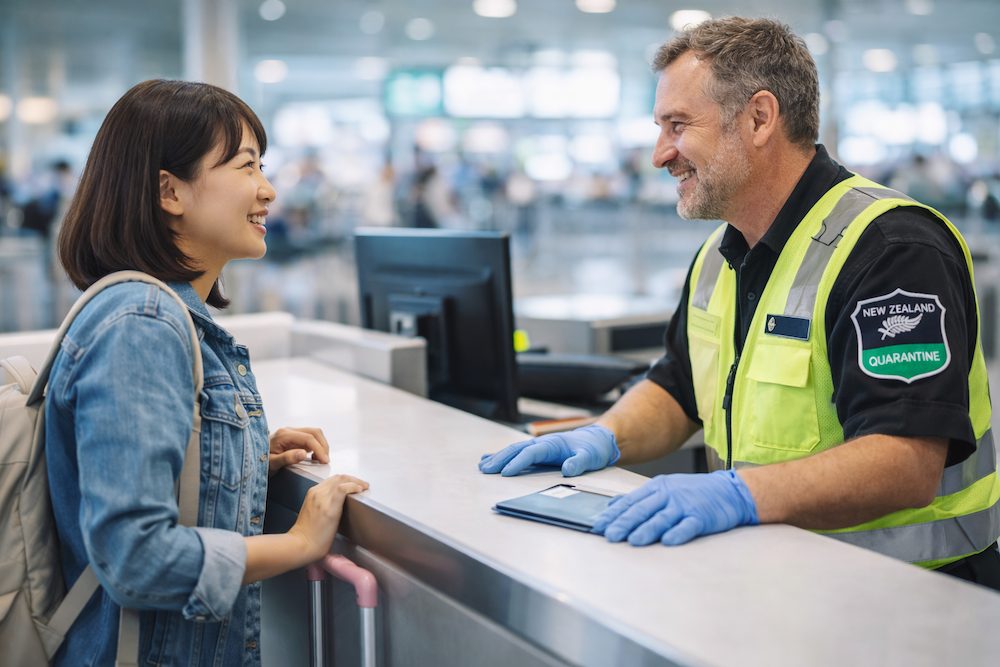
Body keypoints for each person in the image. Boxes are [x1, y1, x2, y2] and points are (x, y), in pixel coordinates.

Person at [480, 17, 1000, 589]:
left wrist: (740, 494)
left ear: (758, 118)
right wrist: (604, 436)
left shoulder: (892, 250)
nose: (659, 155)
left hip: (911, 597)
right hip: (776, 583)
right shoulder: (717, 255)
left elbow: (904, 460)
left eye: (678, 126)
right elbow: (680, 387)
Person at [48, 79, 369, 665]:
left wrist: (240, 458)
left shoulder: (157, 317)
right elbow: (135, 559)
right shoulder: (142, 325)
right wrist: (299, 544)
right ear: (169, 191)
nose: (268, 191)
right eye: (247, 167)